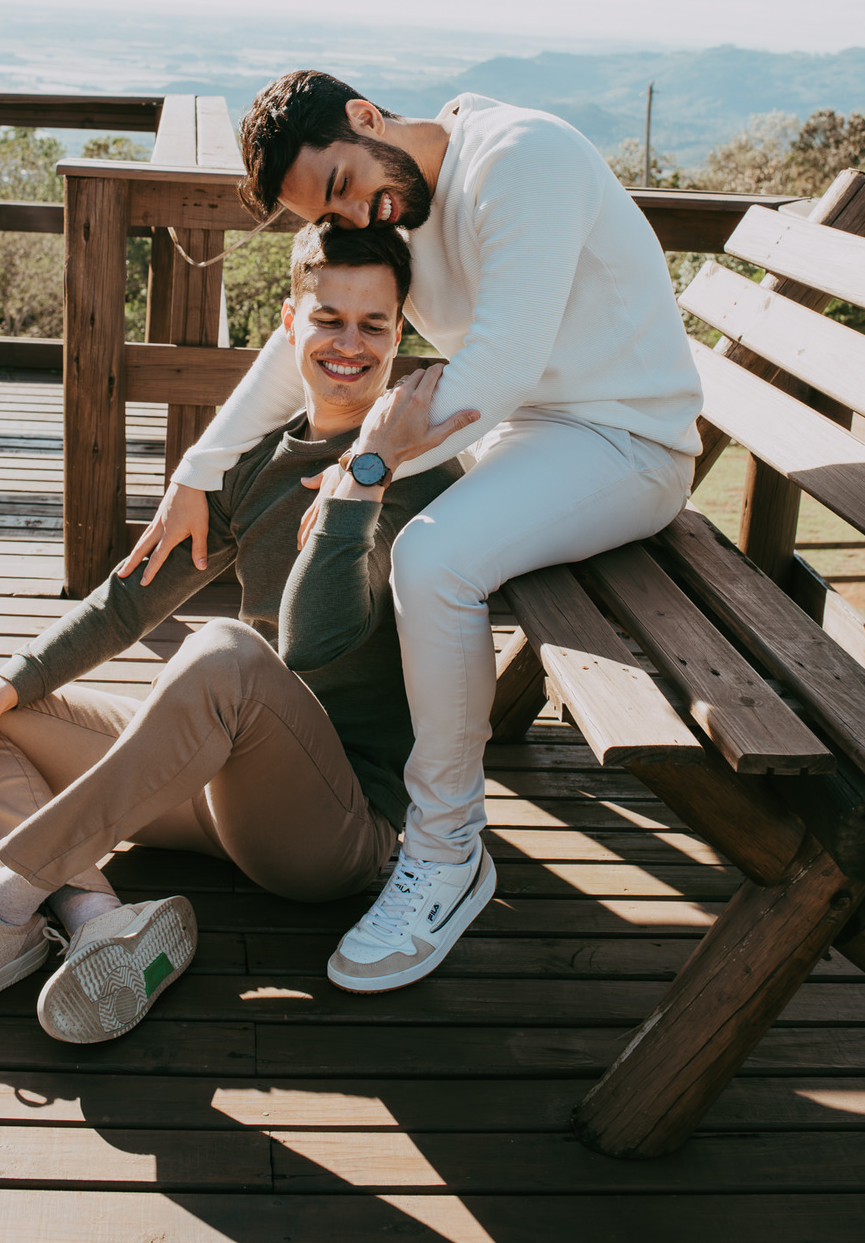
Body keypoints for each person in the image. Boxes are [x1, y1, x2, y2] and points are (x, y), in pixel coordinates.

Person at [129, 70, 703, 992]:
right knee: (408, 551)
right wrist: (198, 473)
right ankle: (376, 786)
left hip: (626, 442)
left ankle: (446, 851)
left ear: (366, 117)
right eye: (333, 211)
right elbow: (293, 349)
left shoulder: (525, 157)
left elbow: (506, 361)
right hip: (529, 435)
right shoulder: (391, 211)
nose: (360, 216)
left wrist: (368, 465)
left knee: (429, 556)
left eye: (349, 185)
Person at [0, 221, 478, 1042]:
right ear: (290, 323)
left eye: (374, 324)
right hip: (216, 797)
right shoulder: (257, 463)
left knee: (226, 654)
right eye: (328, 318)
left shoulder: (417, 470)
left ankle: (7, 899)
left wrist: (364, 476)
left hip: (335, 829)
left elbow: (317, 640)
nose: (348, 344)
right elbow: (127, 604)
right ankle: (100, 919)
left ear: (400, 335)